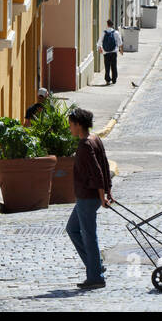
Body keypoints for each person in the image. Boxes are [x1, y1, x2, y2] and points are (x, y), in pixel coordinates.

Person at [67, 107, 113, 290]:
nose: (70, 128)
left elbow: (97, 171)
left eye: (71, 125)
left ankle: (95, 277)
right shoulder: (96, 139)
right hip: (87, 197)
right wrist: (108, 191)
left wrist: (103, 196)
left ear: (79, 125)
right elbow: (105, 164)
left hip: (87, 197)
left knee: (89, 237)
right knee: (72, 229)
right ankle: (95, 265)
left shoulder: (86, 144)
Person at [100, 20, 123, 86]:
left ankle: (107, 80)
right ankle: (114, 79)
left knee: (107, 67)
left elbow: (99, 42)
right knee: (114, 66)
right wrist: (121, 50)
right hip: (113, 52)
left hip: (106, 52)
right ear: (112, 25)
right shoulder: (116, 32)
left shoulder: (104, 33)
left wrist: (100, 48)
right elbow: (120, 43)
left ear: (107, 25)